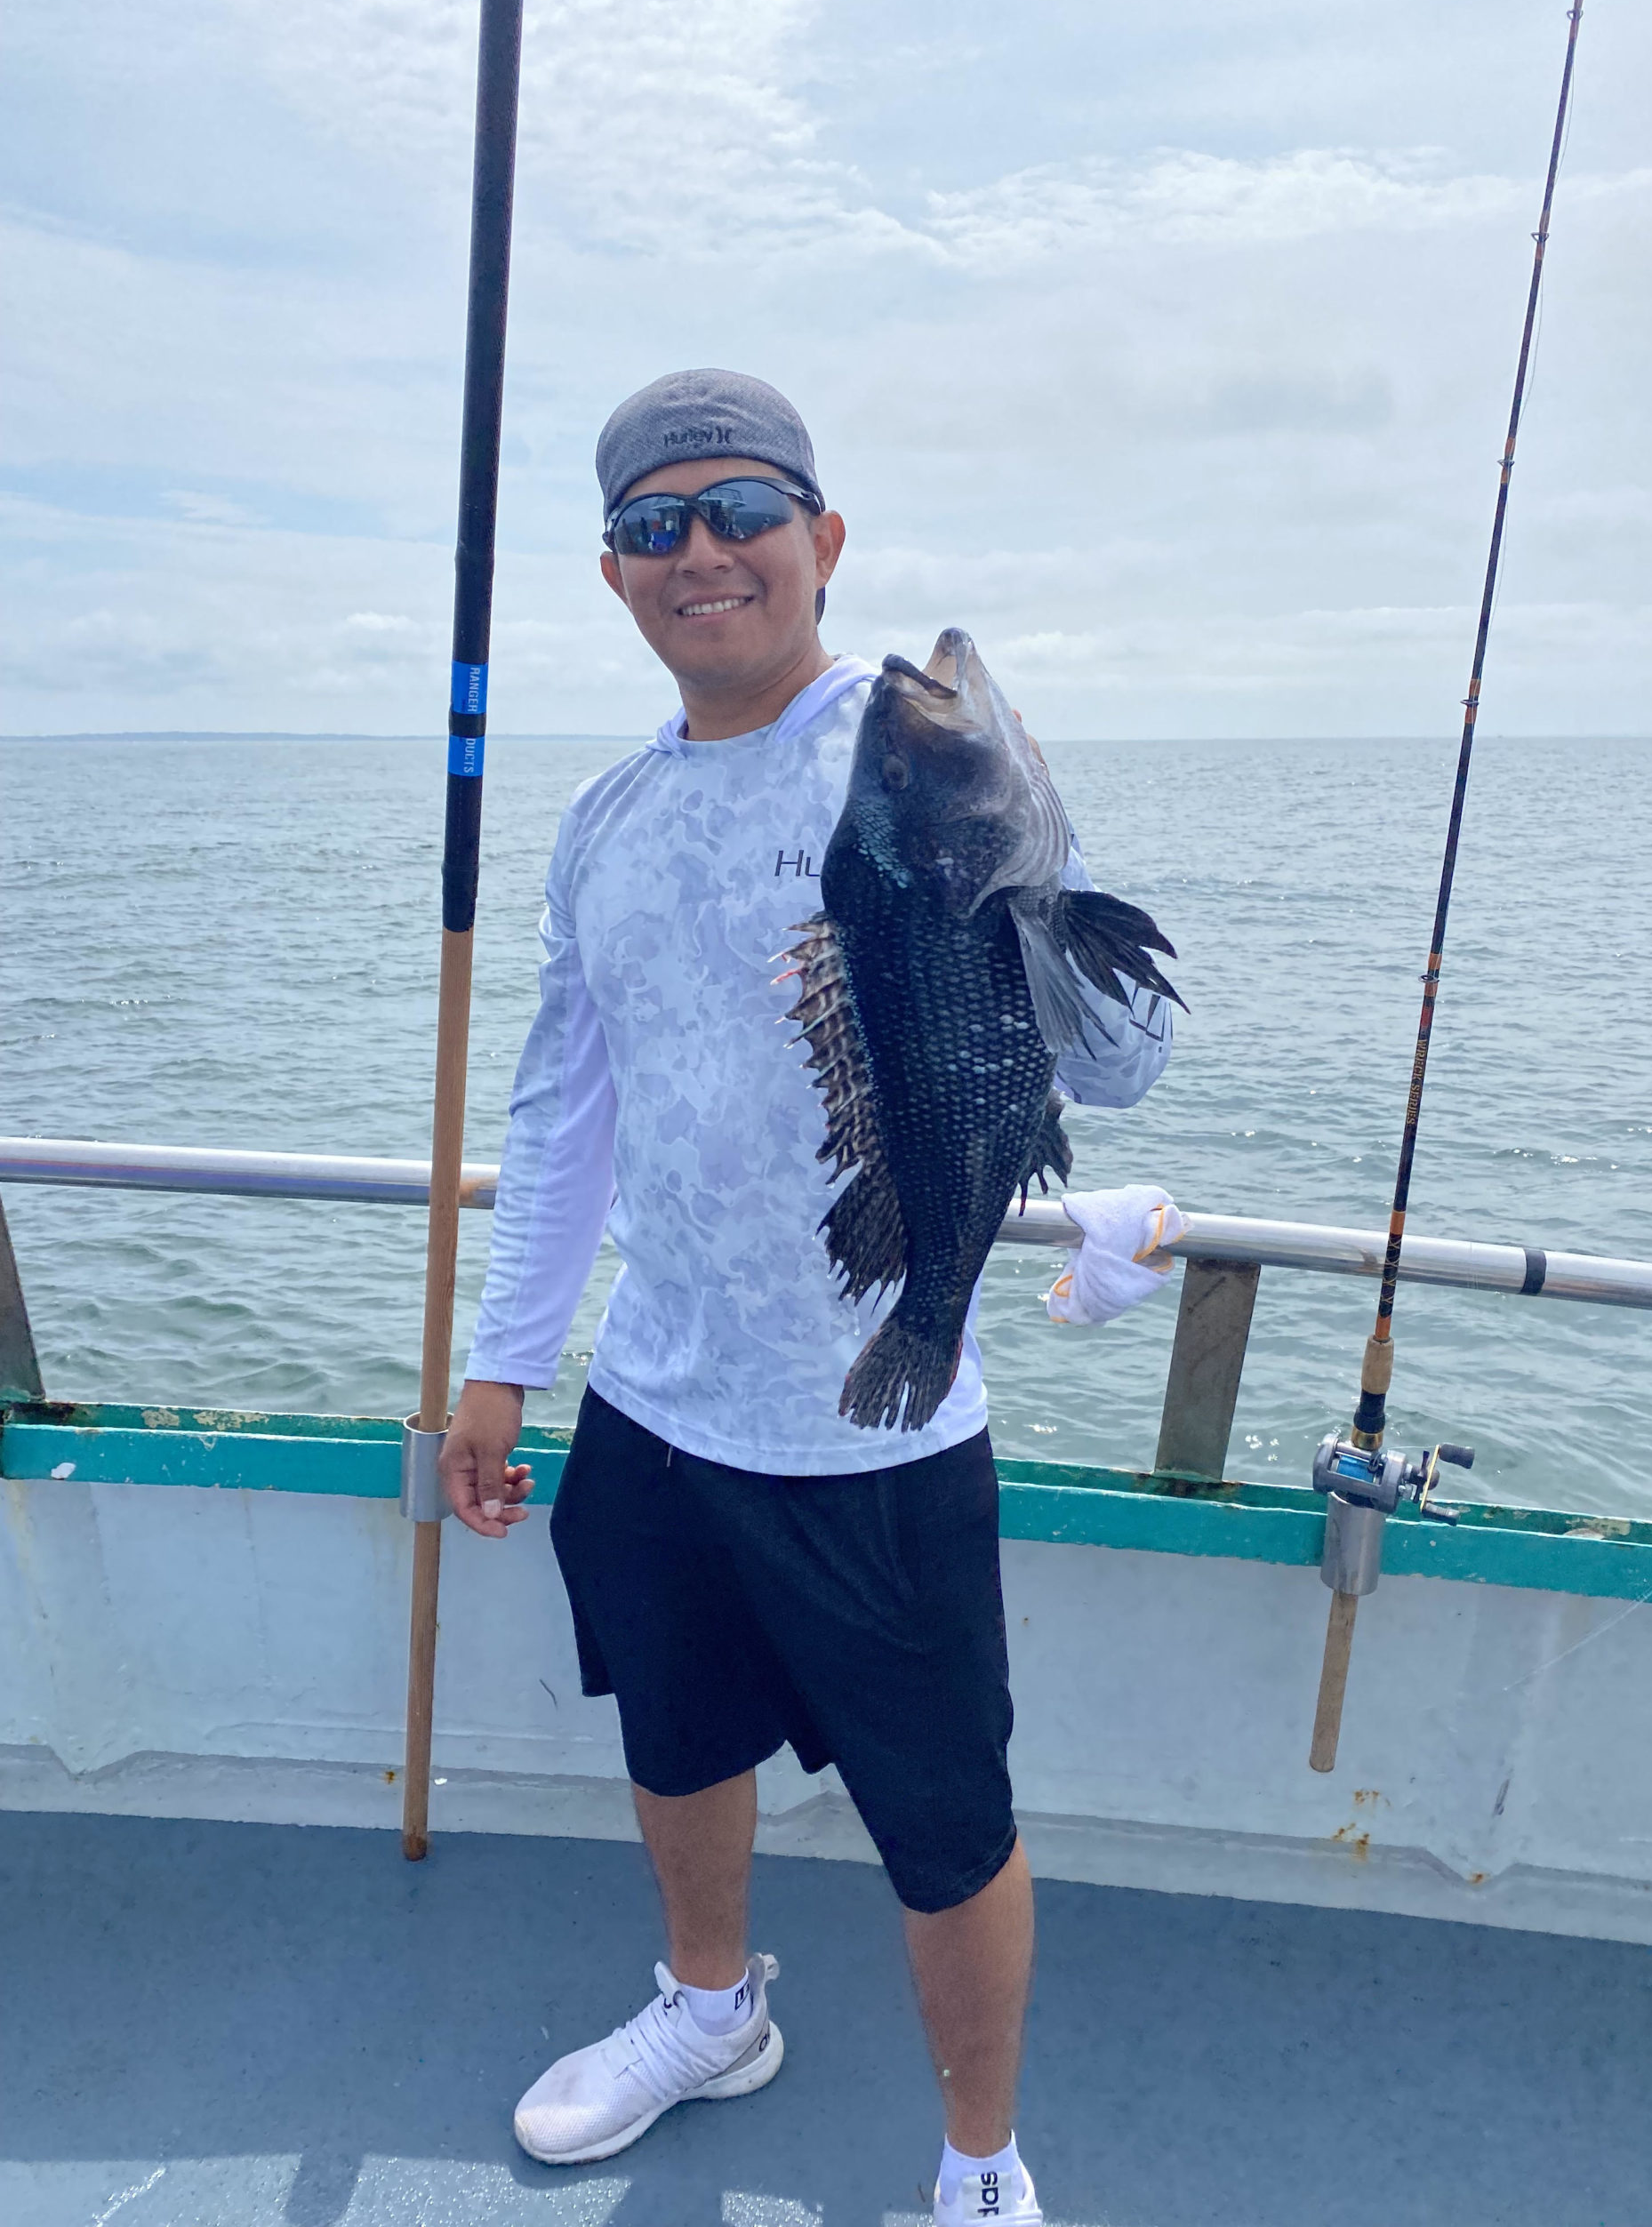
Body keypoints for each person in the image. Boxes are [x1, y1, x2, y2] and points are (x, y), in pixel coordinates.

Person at [437, 369, 1173, 2221]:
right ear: (613, 576)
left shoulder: (914, 759)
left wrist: (1025, 898)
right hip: (657, 1404)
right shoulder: (604, 822)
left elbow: (1128, 1066)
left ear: (822, 539)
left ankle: (980, 2156)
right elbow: (560, 1110)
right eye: (654, 523)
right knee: (675, 1744)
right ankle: (709, 2008)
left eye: (743, 506)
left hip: (888, 1426)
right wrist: (502, 1367)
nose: (703, 550)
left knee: (945, 1822)